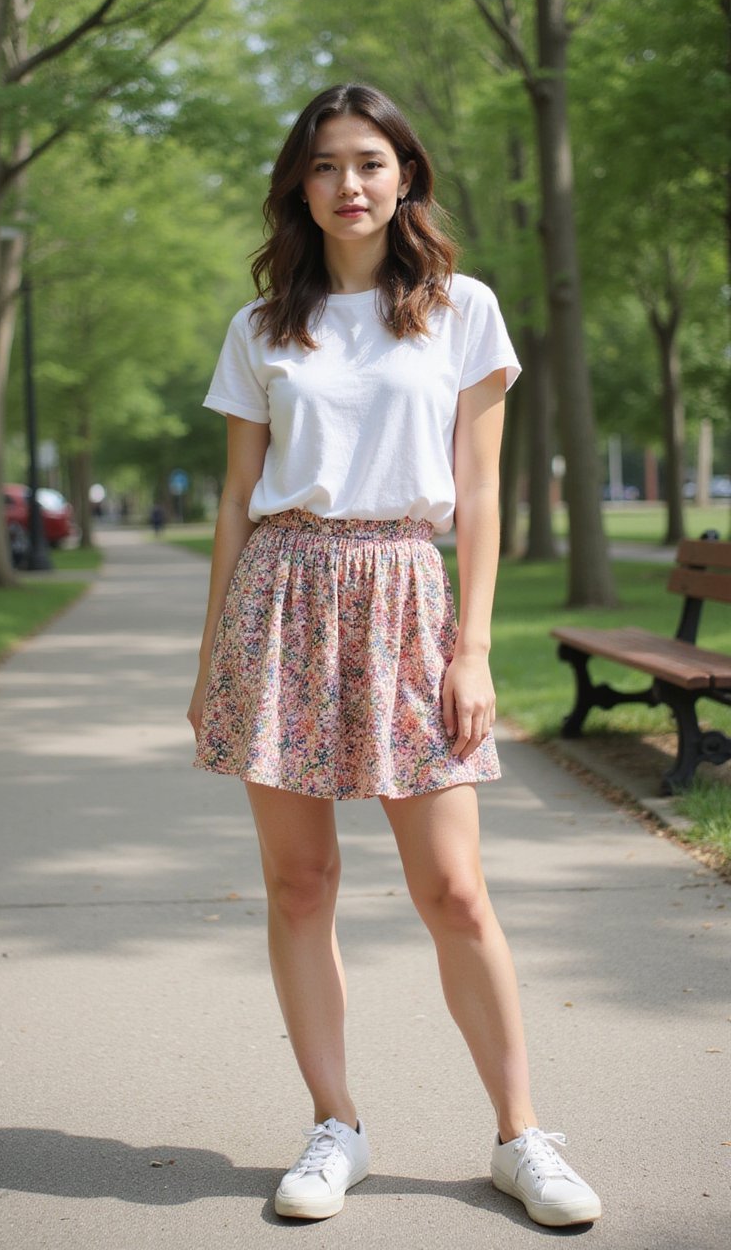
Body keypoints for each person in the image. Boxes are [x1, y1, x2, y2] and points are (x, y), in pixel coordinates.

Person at [187, 84, 601, 1229]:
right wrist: (213, 654)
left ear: (405, 175)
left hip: (410, 601)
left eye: (371, 162)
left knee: (454, 890)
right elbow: (234, 501)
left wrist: (472, 649)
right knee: (300, 883)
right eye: (326, 166)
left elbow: (478, 494)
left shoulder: (461, 308)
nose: (350, 184)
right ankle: (337, 1126)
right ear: (300, 186)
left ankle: (523, 1136)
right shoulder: (263, 325)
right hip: (283, 597)